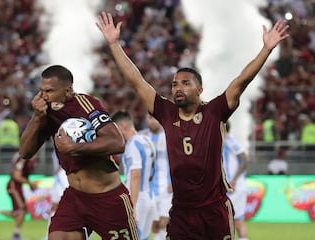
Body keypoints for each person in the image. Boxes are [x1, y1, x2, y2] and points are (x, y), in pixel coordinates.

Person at [97, 11, 289, 239]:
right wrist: (114, 44)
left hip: (214, 210)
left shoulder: (214, 111)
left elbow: (241, 81)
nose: (178, 88)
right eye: (175, 84)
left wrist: (265, 50)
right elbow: (136, 81)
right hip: (181, 212)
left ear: (200, 90)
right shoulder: (166, 112)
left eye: (185, 83)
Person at [18, 65, 138, 240]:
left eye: (49, 91)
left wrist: (75, 148)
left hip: (108, 199)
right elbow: (25, 152)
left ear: (67, 90)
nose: (43, 96)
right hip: (75, 198)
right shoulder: (46, 113)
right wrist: (36, 117)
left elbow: (117, 142)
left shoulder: (87, 104)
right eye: (41, 90)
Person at [112, 111, 157, 240]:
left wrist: (133, 206)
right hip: (150, 197)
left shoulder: (132, 145)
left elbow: (136, 175)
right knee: (144, 237)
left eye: (116, 129)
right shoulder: (146, 140)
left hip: (139, 200)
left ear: (123, 126)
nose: (116, 134)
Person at [0, 152, 37, 240]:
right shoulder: (22, 159)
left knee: (20, 212)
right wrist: (30, 183)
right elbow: (17, 176)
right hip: (14, 187)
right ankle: (16, 236)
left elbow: (22, 175)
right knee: (22, 210)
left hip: (17, 187)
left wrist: (29, 184)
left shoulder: (27, 159)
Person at [139, 114, 172, 240]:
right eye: (149, 118)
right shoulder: (141, 136)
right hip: (149, 188)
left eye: (155, 118)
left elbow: (177, 161)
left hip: (166, 186)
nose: (152, 121)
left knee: (165, 221)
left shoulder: (169, 136)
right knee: (154, 224)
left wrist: (174, 181)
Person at [223, 122, 250, 240]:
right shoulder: (222, 142)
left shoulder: (229, 140)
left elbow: (245, 159)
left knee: (237, 220)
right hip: (229, 187)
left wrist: (234, 180)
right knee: (227, 220)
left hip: (235, 187)